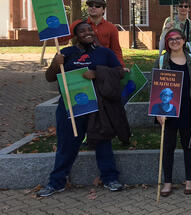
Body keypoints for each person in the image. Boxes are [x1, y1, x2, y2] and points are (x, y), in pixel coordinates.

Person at [37, 21, 125, 197]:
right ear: (75, 36)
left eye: (89, 30)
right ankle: (57, 182)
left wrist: (97, 73)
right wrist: (56, 63)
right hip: (71, 106)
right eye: (82, 31)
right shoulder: (66, 53)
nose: (87, 33)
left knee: (102, 142)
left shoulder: (104, 53)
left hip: (97, 107)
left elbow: (120, 72)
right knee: (66, 144)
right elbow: (49, 78)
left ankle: (110, 178)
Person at [155, 29, 191, 196]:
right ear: (167, 42)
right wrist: (157, 111)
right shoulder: (162, 61)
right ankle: (167, 182)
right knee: (168, 147)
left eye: (178, 39)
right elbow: (155, 87)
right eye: (171, 39)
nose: (175, 41)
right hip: (168, 110)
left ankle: (189, 180)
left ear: (184, 41)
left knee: (189, 146)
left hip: (188, 110)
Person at [67, 0, 124, 65]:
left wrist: (121, 66)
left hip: (103, 63)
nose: (93, 7)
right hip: (83, 63)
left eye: (97, 6)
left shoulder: (111, 27)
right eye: (90, 5)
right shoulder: (78, 24)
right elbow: (61, 37)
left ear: (103, 10)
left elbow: (116, 50)